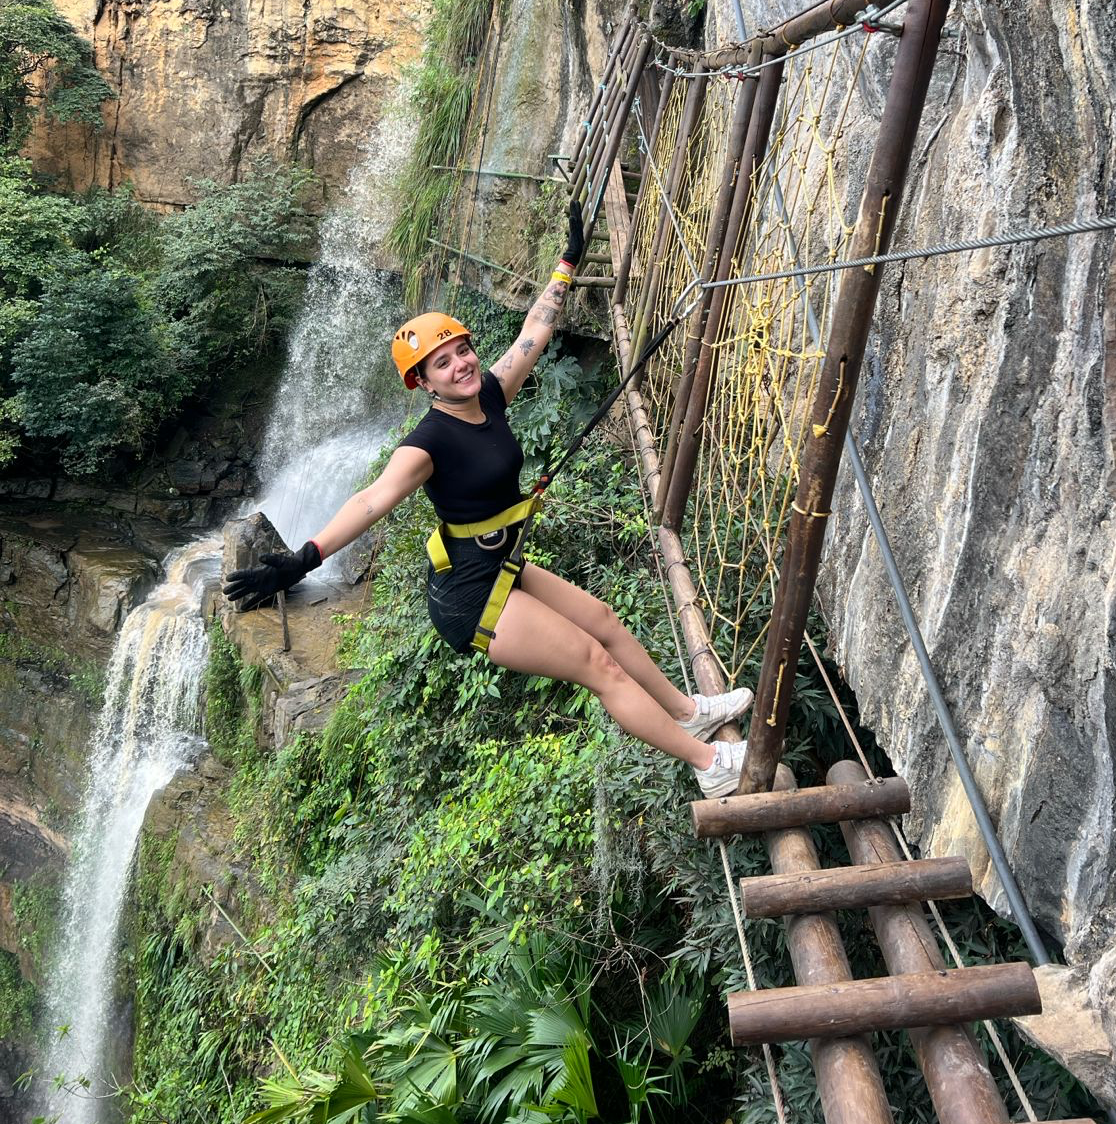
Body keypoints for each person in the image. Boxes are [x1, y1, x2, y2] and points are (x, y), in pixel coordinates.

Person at [224, 203, 753, 798]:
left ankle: (688, 712)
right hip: (469, 595)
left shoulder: (492, 392)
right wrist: (303, 559)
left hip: (498, 562)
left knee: (605, 622)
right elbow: (371, 500)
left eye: (462, 350)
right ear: (423, 382)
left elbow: (534, 331)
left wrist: (567, 264)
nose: (460, 365)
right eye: (441, 362)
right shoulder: (427, 443)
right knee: (595, 663)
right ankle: (710, 765)